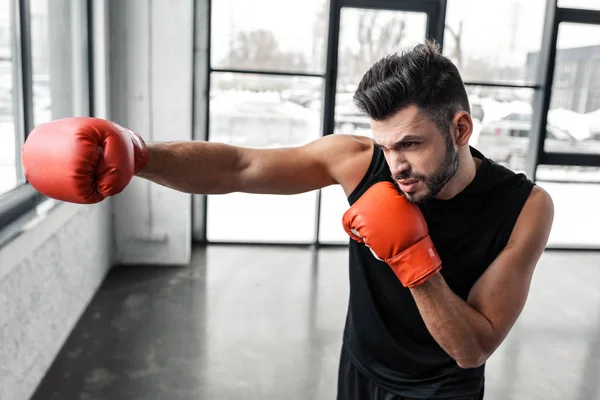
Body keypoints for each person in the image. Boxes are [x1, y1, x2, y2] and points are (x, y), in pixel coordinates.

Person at [21, 40, 554, 400]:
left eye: (412, 144)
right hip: (360, 369)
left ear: (460, 129)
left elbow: (474, 348)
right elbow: (239, 166)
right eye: (387, 145)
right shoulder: (358, 161)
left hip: (443, 389)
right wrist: (140, 156)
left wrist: (414, 262)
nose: (397, 167)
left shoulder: (525, 207)